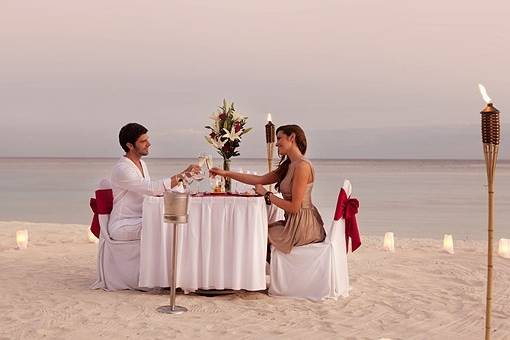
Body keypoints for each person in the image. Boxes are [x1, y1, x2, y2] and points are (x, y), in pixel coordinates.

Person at [93, 122, 199, 291]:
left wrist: (180, 183)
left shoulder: (142, 165)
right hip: (123, 223)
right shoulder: (122, 169)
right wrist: (182, 175)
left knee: (175, 224)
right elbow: (150, 188)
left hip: (140, 218)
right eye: (143, 141)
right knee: (165, 227)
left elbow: (150, 191)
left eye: (147, 139)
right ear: (129, 145)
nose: (149, 144)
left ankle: (174, 276)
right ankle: (160, 279)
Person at [209, 124, 325, 254]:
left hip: (304, 227)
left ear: (292, 137)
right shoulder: (289, 165)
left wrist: (267, 194)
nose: (276, 144)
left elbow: (294, 207)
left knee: (256, 236)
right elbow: (258, 179)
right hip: (291, 223)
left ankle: (265, 269)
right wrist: (225, 173)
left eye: (279, 138)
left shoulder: (303, 166)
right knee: (255, 232)